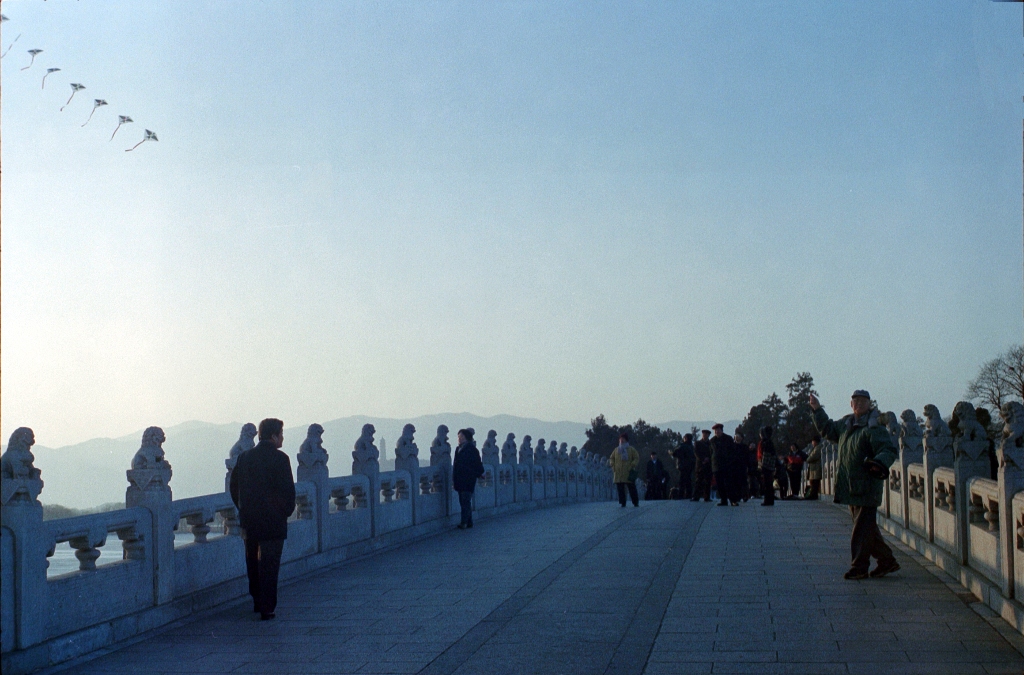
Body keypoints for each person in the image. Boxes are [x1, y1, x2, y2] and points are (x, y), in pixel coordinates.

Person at [810, 390, 900, 580]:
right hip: (850, 485)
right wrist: (817, 409)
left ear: (870, 404)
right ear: (851, 404)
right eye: (856, 401)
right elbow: (827, 429)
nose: (859, 404)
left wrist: (879, 463)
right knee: (866, 528)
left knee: (861, 528)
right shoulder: (846, 424)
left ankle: (859, 567)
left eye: (863, 401)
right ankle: (887, 561)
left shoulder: (873, 427)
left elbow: (888, 449)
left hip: (867, 485)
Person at [229, 418, 295, 620]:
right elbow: (288, 492)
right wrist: (284, 511)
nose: (282, 438)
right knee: (269, 564)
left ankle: (257, 601)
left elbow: (234, 488)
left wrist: (244, 508)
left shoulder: (245, 458)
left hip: (250, 520)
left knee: (253, 562)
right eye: (281, 434)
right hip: (273, 522)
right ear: (274, 436)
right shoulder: (281, 459)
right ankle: (268, 608)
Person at [452, 428, 485, 529]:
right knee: (463, 501)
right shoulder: (458, 449)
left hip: (468, 479)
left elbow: (478, 464)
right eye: (458, 437)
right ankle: (469, 522)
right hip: (459, 479)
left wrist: (479, 473)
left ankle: (464, 523)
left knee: (465, 500)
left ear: (467, 438)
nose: (459, 439)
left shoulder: (472, 449)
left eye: (461, 437)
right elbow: (455, 465)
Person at [609, 432, 640, 507]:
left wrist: (632, 465)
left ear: (626, 440)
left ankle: (635, 502)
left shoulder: (631, 449)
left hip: (628, 471)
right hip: (618, 473)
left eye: (623, 439)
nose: (621, 441)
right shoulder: (616, 450)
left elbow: (636, 457)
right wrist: (613, 465)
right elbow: (611, 458)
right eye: (620, 439)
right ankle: (622, 502)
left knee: (631, 488)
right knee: (620, 489)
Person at [711, 423, 737, 506]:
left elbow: (732, 451)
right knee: (720, 484)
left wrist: (731, 462)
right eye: (715, 431)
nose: (716, 432)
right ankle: (723, 500)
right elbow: (711, 452)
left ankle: (733, 500)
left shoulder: (728, 439)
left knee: (729, 483)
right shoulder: (712, 440)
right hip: (717, 466)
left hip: (727, 465)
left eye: (718, 430)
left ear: (721, 430)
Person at [673, 433, 695, 500]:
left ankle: (681, 495)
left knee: (682, 481)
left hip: (683, 466)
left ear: (685, 438)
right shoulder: (692, 447)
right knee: (688, 481)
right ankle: (689, 494)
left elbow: (675, 453)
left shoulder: (683, 446)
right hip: (690, 466)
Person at [692, 429, 713, 502]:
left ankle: (707, 497)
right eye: (704, 434)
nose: (705, 435)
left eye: (706, 434)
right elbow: (696, 453)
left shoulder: (710, 444)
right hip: (700, 465)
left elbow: (712, 453)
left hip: (708, 465)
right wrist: (703, 459)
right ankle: (696, 497)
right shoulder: (697, 443)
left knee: (708, 482)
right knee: (698, 481)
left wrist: (708, 459)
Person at [758, 426, 776, 506]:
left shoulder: (765, 442)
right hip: (770, 466)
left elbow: (765, 455)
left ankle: (767, 500)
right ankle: (770, 500)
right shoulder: (770, 442)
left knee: (766, 484)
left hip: (766, 466)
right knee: (769, 484)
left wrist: (762, 466)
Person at [733, 430, 750, 502]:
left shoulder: (745, 447)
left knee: (743, 482)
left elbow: (747, 457)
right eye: (736, 436)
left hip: (742, 466)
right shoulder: (732, 446)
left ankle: (745, 496)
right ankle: (737, 496)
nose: (737, 438)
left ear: (741, 438)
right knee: (735, 482)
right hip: (734, 466)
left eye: (738, 436)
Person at [805, 435, 822, 500]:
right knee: (812, 482)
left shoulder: (818, 447)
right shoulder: (815, 448)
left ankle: (813, 495)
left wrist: (807, 459)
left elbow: (813, 456)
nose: (812, 443)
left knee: (815, 482)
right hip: (813, 468)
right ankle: (812, 494)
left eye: (813, 441)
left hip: (816, 468)